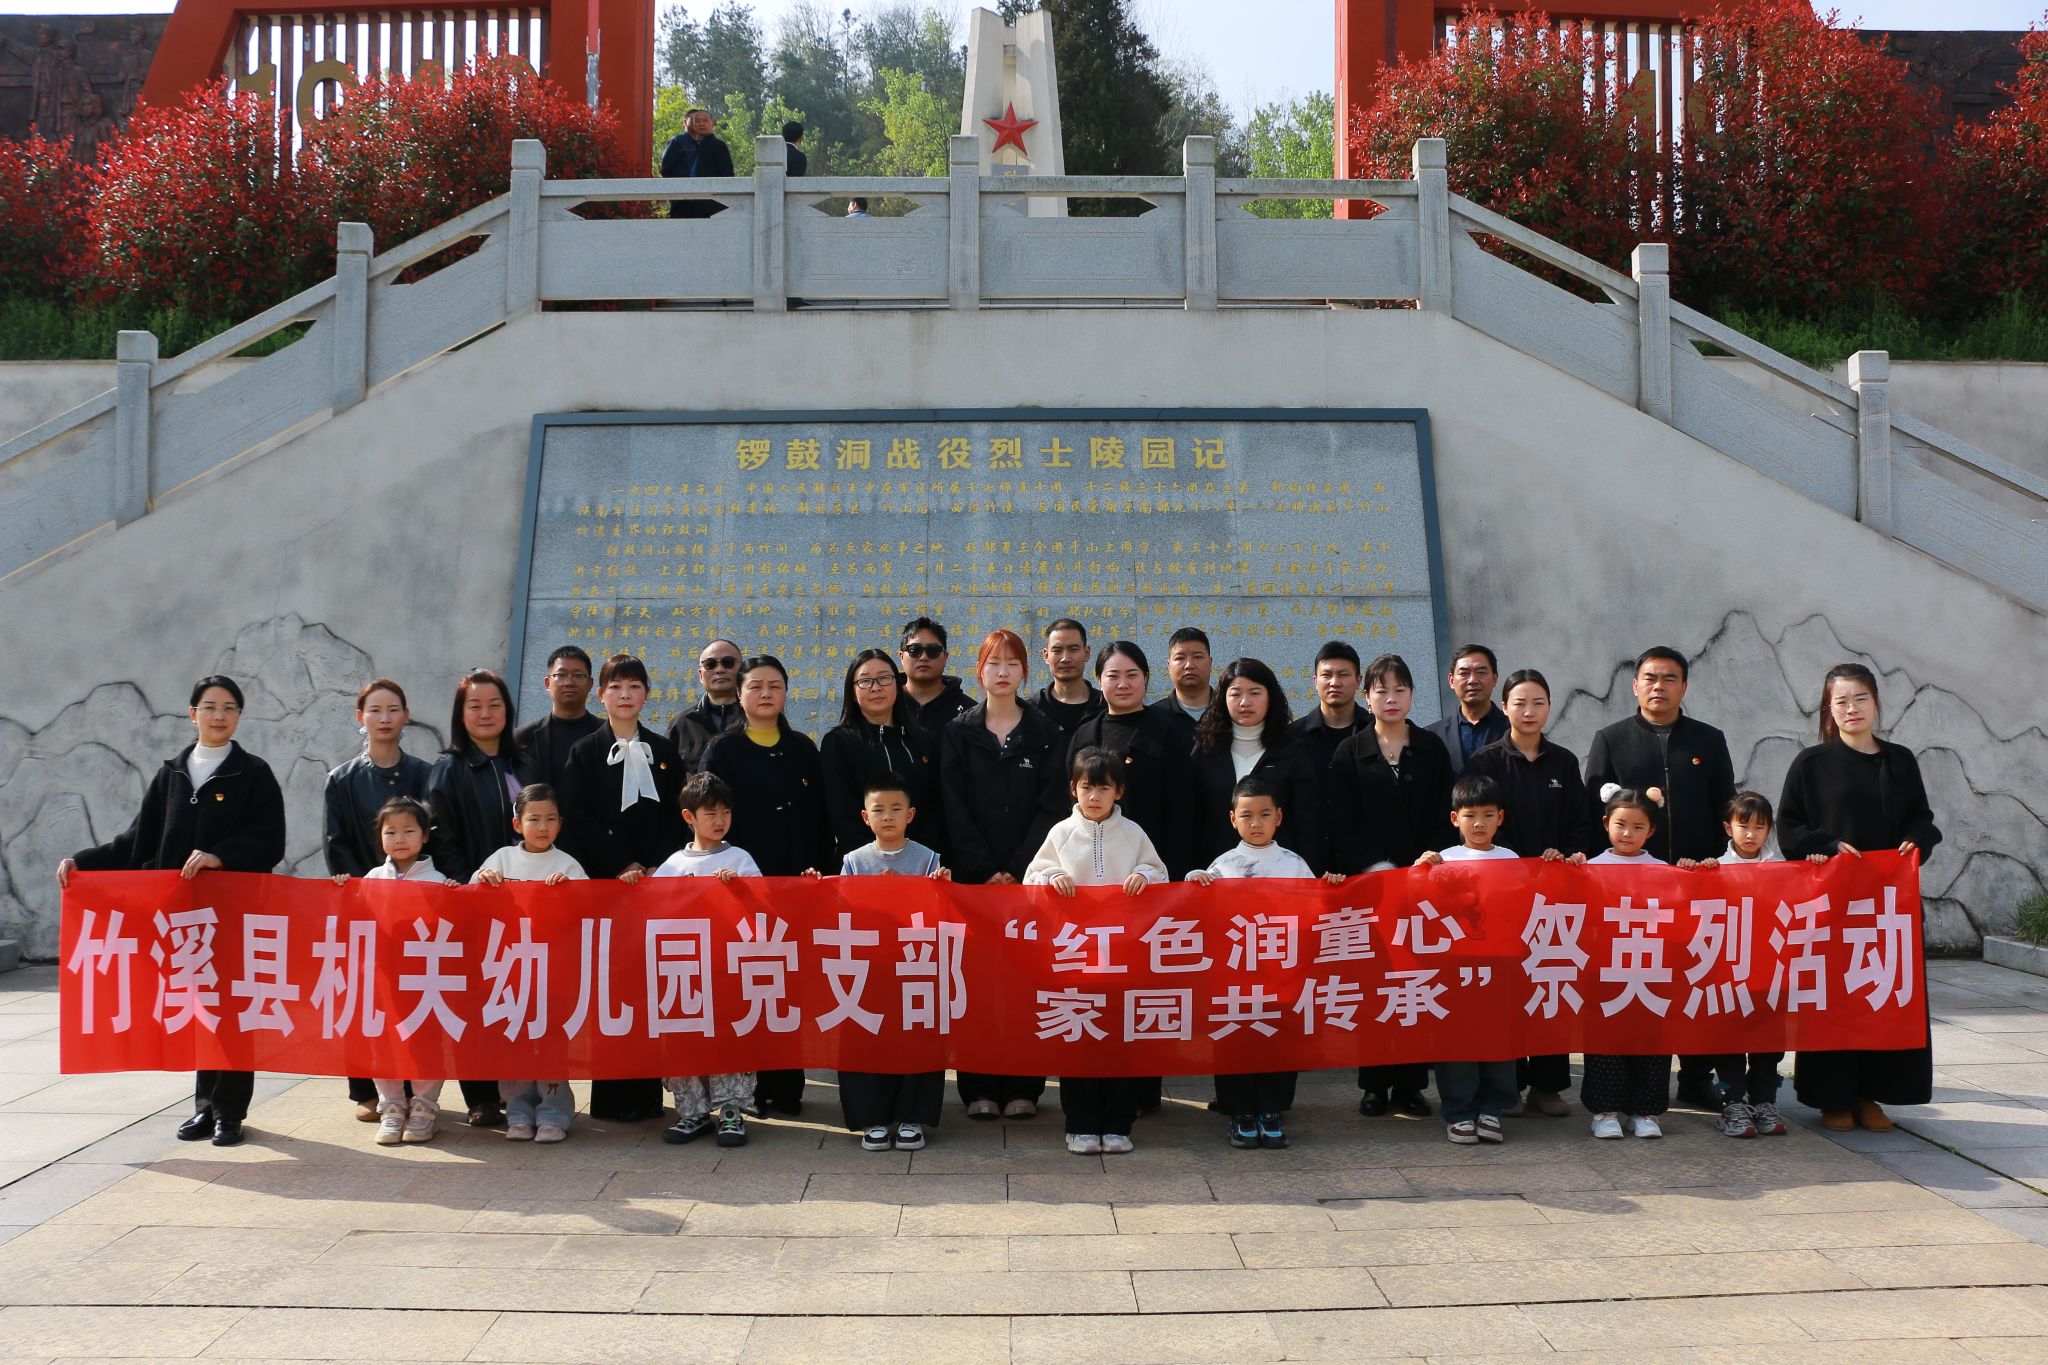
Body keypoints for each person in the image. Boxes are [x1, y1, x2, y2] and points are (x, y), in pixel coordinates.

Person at [57, 675, 285, 1149]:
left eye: (229, 707)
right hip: (183, 920)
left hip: (233, 915)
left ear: (239, 716)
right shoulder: (172, 774)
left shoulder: (253, 773)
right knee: (201, 1011)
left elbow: (270, 839)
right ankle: (205, 1107)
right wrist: (84, 862)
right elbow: (137, 841)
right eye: (210, 706)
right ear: (192, 713)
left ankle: (230, 1112)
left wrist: (221, 855)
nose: (219, 715)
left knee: (232, 1012)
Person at [1778, 662, 1942, 1133]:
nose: (1852, 708)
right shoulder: (1811, 764)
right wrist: (1826, 845)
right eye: (1842, 701)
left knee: (1882, 995)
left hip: (1888, 907)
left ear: (1875, 703)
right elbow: (1790, 828)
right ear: (1829, 710)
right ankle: (1832, 1097)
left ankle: (1871, 1094)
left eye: (1860, 698)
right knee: (1835, 1001)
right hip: (1833, 905)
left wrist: (1917, 839)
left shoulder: (1900, 761)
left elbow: (1922, 818)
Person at [1583, 646, 1736, 1110]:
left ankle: (1695, 1077)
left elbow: (1725, 807)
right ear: (1635, 685)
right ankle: (1627, 1083)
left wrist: (1718, 864)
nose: (1659, 686)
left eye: (1670, 678)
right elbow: (1592, 805)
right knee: (1636, 982)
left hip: (1694, 883)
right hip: (1630, 895)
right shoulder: (1611, 738)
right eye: (1650, 677)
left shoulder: (1708, 739)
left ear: (1684, 687)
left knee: (1694, 979)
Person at [1462, 668, 1599, 1118]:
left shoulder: (1563, 761)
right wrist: (1515, 865)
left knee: (1549, 983)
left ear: (1549, 707)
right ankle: (1509, 1086)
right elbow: (1480, 819)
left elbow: (1580, 818)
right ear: (1504, 708)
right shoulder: (1486, 760)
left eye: (1538, 702)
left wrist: (1570, 854)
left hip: (1555, 894)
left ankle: (1547, 1085)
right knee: (1507, 989)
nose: (1529, 711)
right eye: (1519, 702)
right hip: (1501, 893)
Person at [942, 628, 1065, 1118]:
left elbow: (1052, 806)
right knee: (976, 983)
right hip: (973, 884)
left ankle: (1023, 1088)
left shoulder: (1046, 731)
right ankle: (979, 1088)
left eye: (1012, 663)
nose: (1003, 671)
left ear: (1024, 672)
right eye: (994, 663)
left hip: (1028, 881)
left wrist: (1017, 868)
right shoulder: (959, 731)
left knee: (1024, 981)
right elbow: (953, 805)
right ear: (980, 671)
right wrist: (982, 868)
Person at [701, 654, 831, 1115]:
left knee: (789, 985)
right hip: (741, 885)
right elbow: (709, 815)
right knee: (747, 983)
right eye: (755, 686)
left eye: (774, 685)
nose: (765, 694)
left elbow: (821, 817)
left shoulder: (802, 749)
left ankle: (787, 1086)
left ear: (786, 693)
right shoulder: (723, 750)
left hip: (795, 885)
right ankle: (748, 1088)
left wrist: (819, 870)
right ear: (739, 695)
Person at [561, 653, 685, 1124]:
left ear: (647, 695)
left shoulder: (664, 750)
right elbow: (578, 817)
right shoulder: (584, 751)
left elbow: (677, 816)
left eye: (634, 687)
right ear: (601, 695)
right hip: (607, 886)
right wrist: (619, 865)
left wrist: (654, 866)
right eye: (616, 687)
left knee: (649, 985)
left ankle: (648, 1094)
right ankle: (612, 1096)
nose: (625, 695)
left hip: (654, 886)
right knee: (611, 987)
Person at [1328, 653, 1452, 1119]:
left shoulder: (1431, 748)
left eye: (1400, 689)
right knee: (1375, 983)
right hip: (1371, 887)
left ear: (1412, 695)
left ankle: (1411, 1085)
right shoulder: (1350, 751)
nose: (1391, 698)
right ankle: (1374, 1085)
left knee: (1416, 981)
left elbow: (1445, 811)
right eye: (1382, 690)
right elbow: (1343, 821)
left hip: (1423, 887)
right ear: (1367, 696)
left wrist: (1427, 863)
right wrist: (1376, 866)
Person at [1026, 747, 1167, 1155]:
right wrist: (1053, 875)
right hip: (1075, 958)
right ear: (1073, 789)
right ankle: (1081, 1124)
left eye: (1103, 788)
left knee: (1120, 1041)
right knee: (1079, 1038)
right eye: (1087, 787)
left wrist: (1144, 874)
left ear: (1118, 792)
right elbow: (1031, 878)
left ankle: (1118, 1124)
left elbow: (1161, 873)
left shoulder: (1134, 834)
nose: (1094, 796)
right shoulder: (1060, 834)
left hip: (1123, 958)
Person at [1680, 790, 1825, 1139]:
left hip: (1770, 972)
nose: (1750, 834)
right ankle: (1733, 1104)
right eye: (1743, 825)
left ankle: (1765, 1101)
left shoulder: (1784, 869)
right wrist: (1691, 873)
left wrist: (1818, 867)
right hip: (1729, 972)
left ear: (1769, 830)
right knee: (1729, 1041)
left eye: (1759, 827)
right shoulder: (1715, 867)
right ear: (1727, 828)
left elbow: (1806, 901)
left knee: (1768, 1041)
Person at [1188, 774, 1322, 1150]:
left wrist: (1331, 887)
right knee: (1234, 1037)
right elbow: (1204, 917)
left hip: (1281, 972)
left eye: (1265, 814)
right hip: (1236, 975)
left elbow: (1316, 911)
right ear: (1233, 819)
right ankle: (1240, 1113)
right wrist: (1194, 884)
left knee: (1278, 1038)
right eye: (1247, 815)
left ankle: (1271, 1110)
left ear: (1279, 816)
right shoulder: (1223, 866)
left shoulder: (1294, 864)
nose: (1256, 823)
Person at [323, 677, 434, 1121]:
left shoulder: (425, 773)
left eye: (393, 709)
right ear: (361, 717)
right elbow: (336, 843)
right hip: (368, 903)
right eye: (375, 710)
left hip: (417, 905)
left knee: (417, 996)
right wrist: (370, 889)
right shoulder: (341, 778)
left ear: (406, 716)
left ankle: (415, 1093)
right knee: (368, 997)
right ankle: (368, 1091)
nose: (384, 718)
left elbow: (435, 835)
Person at [426, 669, 532, 1128]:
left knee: (518, 994)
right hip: (472, 901)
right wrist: (467, 885)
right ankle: (481, 1096)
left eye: (494, 705)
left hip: (525, 903)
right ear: (460, 714)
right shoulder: (448, 769)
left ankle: (521, 1091)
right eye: (475, 706)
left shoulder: (523, 763)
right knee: (475, 999)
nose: (485, 714)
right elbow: (441, 836)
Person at [832, 773, 952, 1151]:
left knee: (916, 1039)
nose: (887, 816)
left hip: (915, 965)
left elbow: (941, 913)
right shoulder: (853, 861)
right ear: (865, 817)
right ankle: (874, 1118)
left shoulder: (929, 858)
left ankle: (912, 1117)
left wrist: (940, 888)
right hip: (870, 967)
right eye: (879, 809)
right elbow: (841, 912)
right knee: (867, 1037)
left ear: (910, 814)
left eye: (896, 809)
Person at [652, 772, 760, 1148]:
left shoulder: (740, 859)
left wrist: (740, 889)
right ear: (689, 817)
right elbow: (653, 912)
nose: (719, 820)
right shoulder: (672, 865)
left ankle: (731, 1110)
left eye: (725, 812)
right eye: (710, 813)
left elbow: (762, 907)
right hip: (684, 970)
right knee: (684, 1038)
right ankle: (692, 1111)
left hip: (726, 969)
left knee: (729, 1036)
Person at [474, 784, 586, 1143]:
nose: (542, 827)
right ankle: (518, 1111)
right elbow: (469, 903)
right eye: (534, 819)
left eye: (550, 819)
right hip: (510, 970)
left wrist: (570, 892)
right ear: (517, 824)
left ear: (560, 823)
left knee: (551, 1043)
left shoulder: (567, 865)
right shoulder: (501, 860)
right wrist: (482, 881)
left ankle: (554, 1113)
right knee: (513, 1042)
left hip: (552, 972)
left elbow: (588, 910)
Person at [1415, 775, 1521, 1145]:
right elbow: (1415, 905)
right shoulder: (1443, 859)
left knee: (1499, 1039)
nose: (1479, 823)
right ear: (1454, 819)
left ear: (1500, 818)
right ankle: (1459, 1111)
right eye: (1470, 815)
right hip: (1455, 967)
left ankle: (1492, 1109)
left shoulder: (1512, 860)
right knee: (1457, 1040)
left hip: (1500, 965)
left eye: (1488, 815)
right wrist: (1419, 871)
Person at [355, 796, 455, 1146]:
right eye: (390, 831)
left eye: (409, 830)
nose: (399, 838)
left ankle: (425, 1107)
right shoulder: (371, 878)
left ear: (425, 836)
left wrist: (453, 898)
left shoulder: (438, 880)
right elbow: (356, 918)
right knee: (383, 1041)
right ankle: (392, 1107)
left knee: (425, 1040)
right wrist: (341, 890)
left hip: (424, 976)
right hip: (383, 975)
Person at [1583, 785, 1672, 1140]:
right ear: (1606, 823)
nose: (1627, 834)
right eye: (1620, 824)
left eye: (1638, 827)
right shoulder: (1589, 868)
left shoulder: (1664, 870)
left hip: (1651, 967)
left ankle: (1645, 1111)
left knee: (1652, 1040)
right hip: (1605, 968)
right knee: (1606, 1040)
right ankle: (1604, 1111)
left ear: (1651, 830)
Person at [1066, 640, 1198, 877]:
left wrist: (1170, 873)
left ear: (1145, 678)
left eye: (1132, 675)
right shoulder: (1084, 734)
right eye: (1113, 676)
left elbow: (1182, 810)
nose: (1123, 684)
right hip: (1089, 869)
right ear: (1099, 679)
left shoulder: (1167, 734)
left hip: (1149, 868)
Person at [1189, 657, 1327, 875]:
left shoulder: (1293, 749)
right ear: (1222, 699)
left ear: (1270, 697)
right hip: (1217, 875)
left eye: (1255, 693)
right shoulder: (1206, 749)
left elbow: (1307, 822)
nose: (1245, 702)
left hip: (1280, 876)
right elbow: (1191, 816)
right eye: (1235, 694)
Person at [820, 649, 945, 861]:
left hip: (921, 866)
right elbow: (842, 815)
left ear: (897, 684)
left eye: (884, 678)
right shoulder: (839, 743)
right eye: (865, 681)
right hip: (862, 866)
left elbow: (936, 807)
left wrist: (919, 858)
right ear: (852, 691)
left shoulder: (923, 741)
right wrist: (877, 862)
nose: (876, 687)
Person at [514, 646, 601, 792]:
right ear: (547, 683)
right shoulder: (522, 738)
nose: (569, 682)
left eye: (578, 676)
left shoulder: (607, 734)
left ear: (590, 684)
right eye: (560, 675)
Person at [1425, 644, 1509, 776]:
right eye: (1464, 673)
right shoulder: (1432, 735)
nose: (1472, 680)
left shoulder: (1513, 729)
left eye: (1481, 672)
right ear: (1451, 680)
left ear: (1494, 679)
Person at [1292, 640, 1365, 779]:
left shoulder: (1374, 730)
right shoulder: (1294, 736)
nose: (1335, 682)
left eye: (1343, 675)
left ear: (1358, 680)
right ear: (1315, 681)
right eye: (1326, 675)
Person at [667, 638, 744, 769]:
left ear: (742, 670)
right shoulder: (681, 725)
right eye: (710, 664)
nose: (719, 670)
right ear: (700, 675)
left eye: (728, 662)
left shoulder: (757, 718)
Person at [898, 617, 973, 744]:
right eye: (914, 650)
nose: (923, 657)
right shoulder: (885, 704)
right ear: (901, 656)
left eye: (933, 650)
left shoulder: (970, 712)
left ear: (945, 657)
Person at [661, 107, 735, 219]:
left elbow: (727, 174)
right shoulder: (681, 142)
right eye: (697, 121)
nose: (701, 124)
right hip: (684, 201)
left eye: (705, 121)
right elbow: (666, 169)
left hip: (708, 202)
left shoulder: (718, 145)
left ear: (713, 124)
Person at [1035, 617, 1103, 735]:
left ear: (1086, 653)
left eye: (1073, 649)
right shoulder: (1033, 709)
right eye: (1057, 650)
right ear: (1046, 655)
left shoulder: (1105, 706)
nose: (1065, 658)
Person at [1150, 626, 1215, 735]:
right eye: (1180, 658)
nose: (1189, 665)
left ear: (1210, 663)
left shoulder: (1229, 711)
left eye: (1197, 657)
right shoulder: (1153, 717)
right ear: (1169, 666)